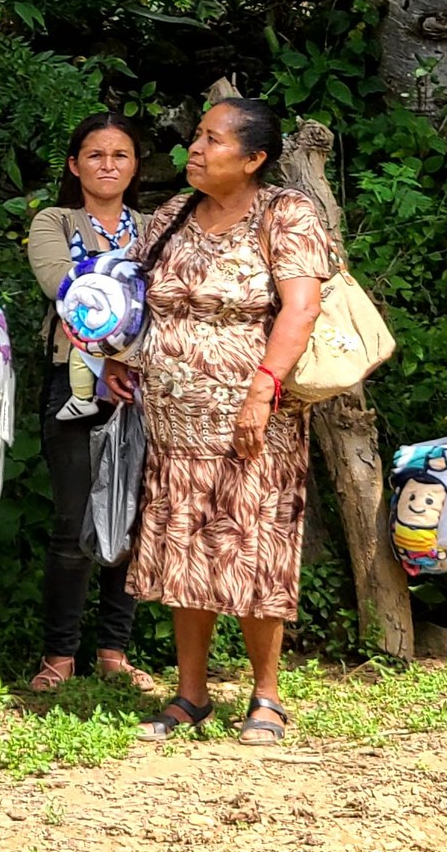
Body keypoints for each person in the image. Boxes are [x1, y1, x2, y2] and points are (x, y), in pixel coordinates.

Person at [112, 98, 327, 747]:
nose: (195, 150)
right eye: (195, 138)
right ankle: (190, 694)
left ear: (254, 158)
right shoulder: (170, 217)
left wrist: (262, 389)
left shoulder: (283, 214)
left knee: (253, 551)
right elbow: (134, 296)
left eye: (212, 140)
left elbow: (301, 307)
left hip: (252, 421)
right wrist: (120, 359)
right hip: (174, 419)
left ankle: (266, 696)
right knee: (186, 551)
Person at [23, 113, 159, 693]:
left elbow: (177, 293)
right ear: (75, 165)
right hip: (75, 383)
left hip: (147, 385)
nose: (109, 165)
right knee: (72, 523)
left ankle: (114, 651)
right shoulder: (55, 220)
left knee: (133, 517)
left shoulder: (158, 227)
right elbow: (64, 284)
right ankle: (59, 656)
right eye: (96, 155)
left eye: (121, 155)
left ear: (135, 166)